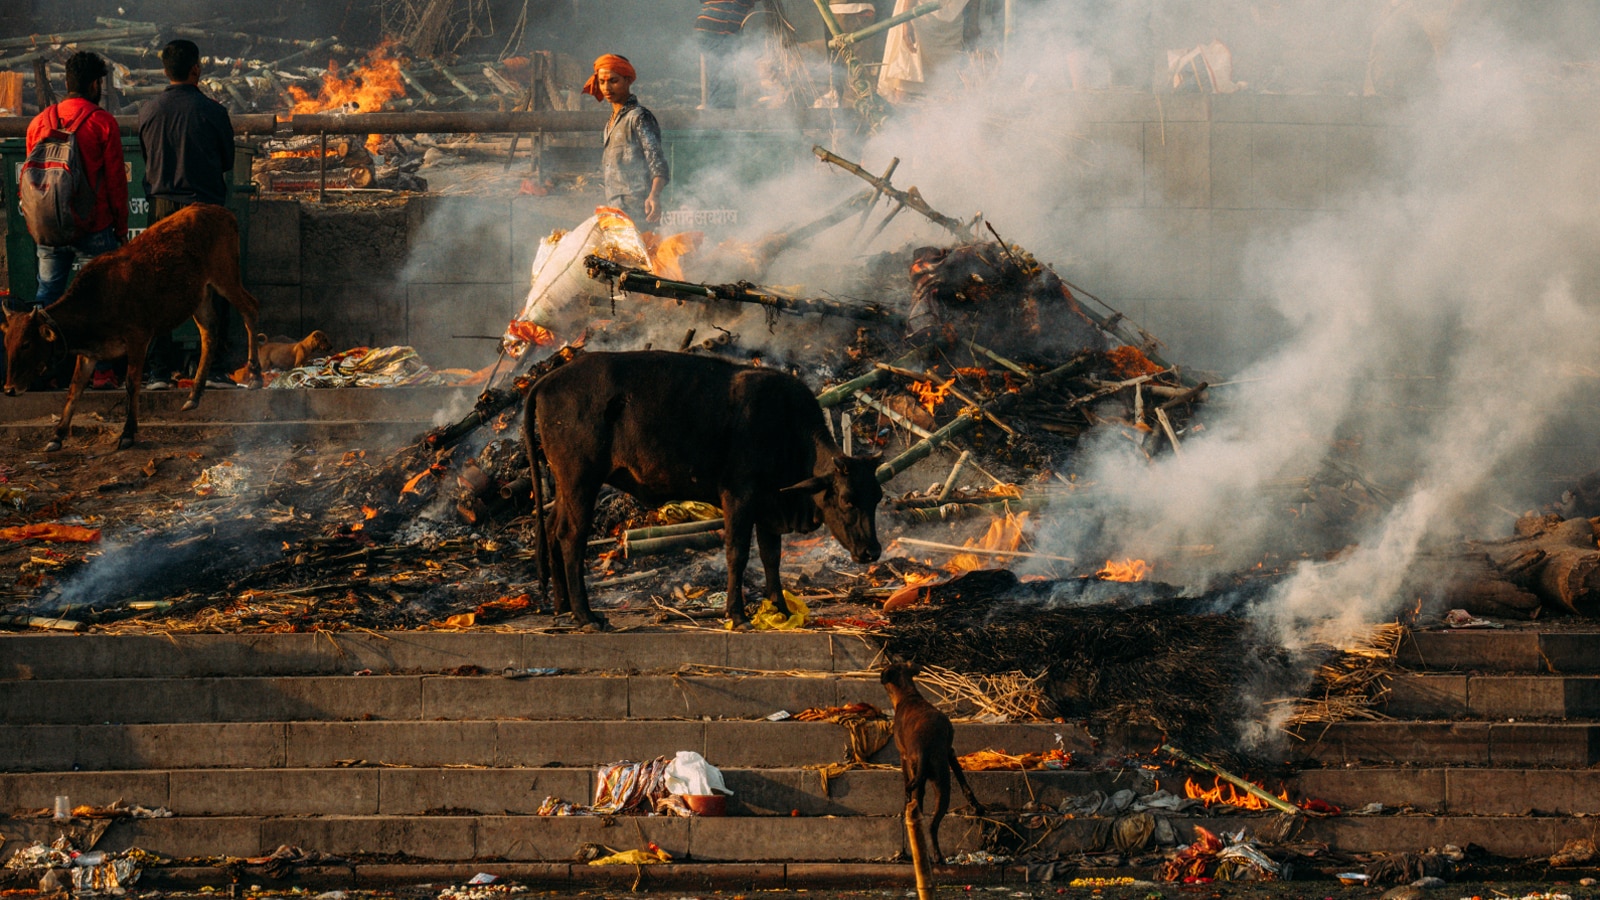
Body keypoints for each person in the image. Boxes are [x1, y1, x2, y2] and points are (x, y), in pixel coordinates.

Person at [138, 38, 237, 388]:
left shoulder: (149, 111)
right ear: (196, 68)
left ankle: (158, 371)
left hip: (163, 209)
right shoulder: (213, 112)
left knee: (159, 287)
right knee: (216, 285)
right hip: (204, 211)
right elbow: (228, 161)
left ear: (166, 71)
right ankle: (217, 369)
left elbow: (148, 159)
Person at [20, 51, 127, 313]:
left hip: (49, 228)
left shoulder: (38, 123)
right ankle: (93, 354)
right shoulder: (103, 122)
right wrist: (121, 229)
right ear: (94, 84)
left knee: (47, 296)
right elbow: (116, 183)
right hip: (95, 228)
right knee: (101, 300)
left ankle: (48, 350)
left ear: (67, 83)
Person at [583, 54, 669, 227]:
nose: (607, 87)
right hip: (616, 213)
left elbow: (657, 162)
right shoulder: (610, 122)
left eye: (613, 81)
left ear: (628, 80)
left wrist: (654, 195)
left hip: (640, 212)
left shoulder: (639, 117)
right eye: (602, 82)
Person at [694, 0, 755, 108]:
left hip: (728, 32)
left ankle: (726, 115)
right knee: (720, 76)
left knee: (728, 76)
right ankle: (718, 117)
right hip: (713, 29)